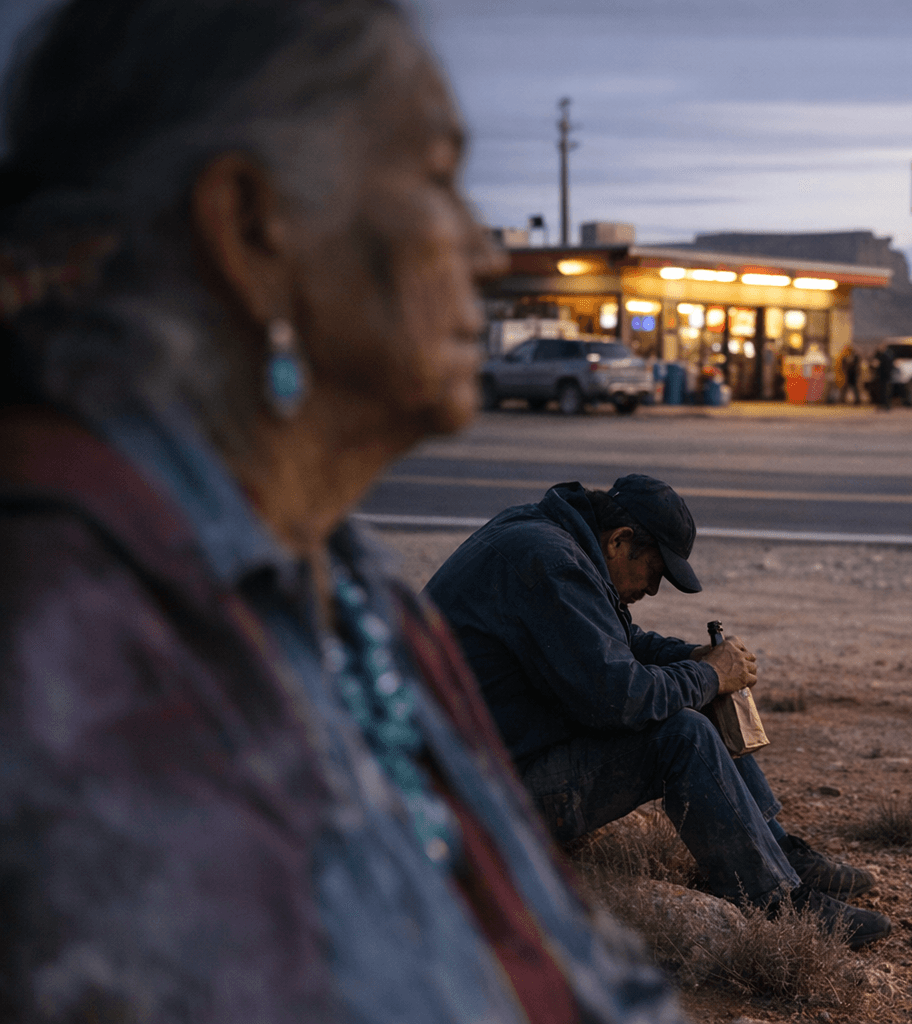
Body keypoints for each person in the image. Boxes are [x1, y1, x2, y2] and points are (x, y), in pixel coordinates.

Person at [0, 2, 683, 1021]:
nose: (484, 253)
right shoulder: (70, 638)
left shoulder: (346, 587)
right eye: (437, 179)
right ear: (250, 225)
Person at [424, 475, 893, 949]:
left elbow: (615, 641)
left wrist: (696, 659)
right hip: (480, 797)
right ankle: (777, 903)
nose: (652, 589)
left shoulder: (550, 538)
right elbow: (620, 700)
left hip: (485, 763)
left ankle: (777, 853)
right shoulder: (551, 563)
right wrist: (708, 676)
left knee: (696, 693)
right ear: (620, 540)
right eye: (653, 571)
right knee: (682, 734)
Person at [874, 344, 896, 410]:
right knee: (885, 391)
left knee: (884, 391)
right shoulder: (888, 355)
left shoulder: (884, 356)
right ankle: (886, 405)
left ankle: (885, 405)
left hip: (884, 376)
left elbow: (879, 365)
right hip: (886, 376)